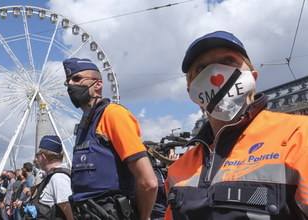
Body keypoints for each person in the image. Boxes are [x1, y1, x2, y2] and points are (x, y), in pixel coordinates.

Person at [164, 30, 308, 219]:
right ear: (191, 91)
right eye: (201, 68)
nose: (215, 73)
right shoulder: (178, 169)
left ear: (253, 77)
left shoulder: (298, 135)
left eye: (229, 61)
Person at [63, 58, 158, 220]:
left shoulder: (113, 114)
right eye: (68, 82)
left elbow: (148, 182)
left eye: (77, 79)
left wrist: (143, 217)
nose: (71, 85)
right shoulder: (84, 126)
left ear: (98, 84)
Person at [23, 135, 73, 220]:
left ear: (43, 157)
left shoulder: (58, 178)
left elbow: (66, 207)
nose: (36, 159)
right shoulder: (51, 176)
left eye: (37, 155)